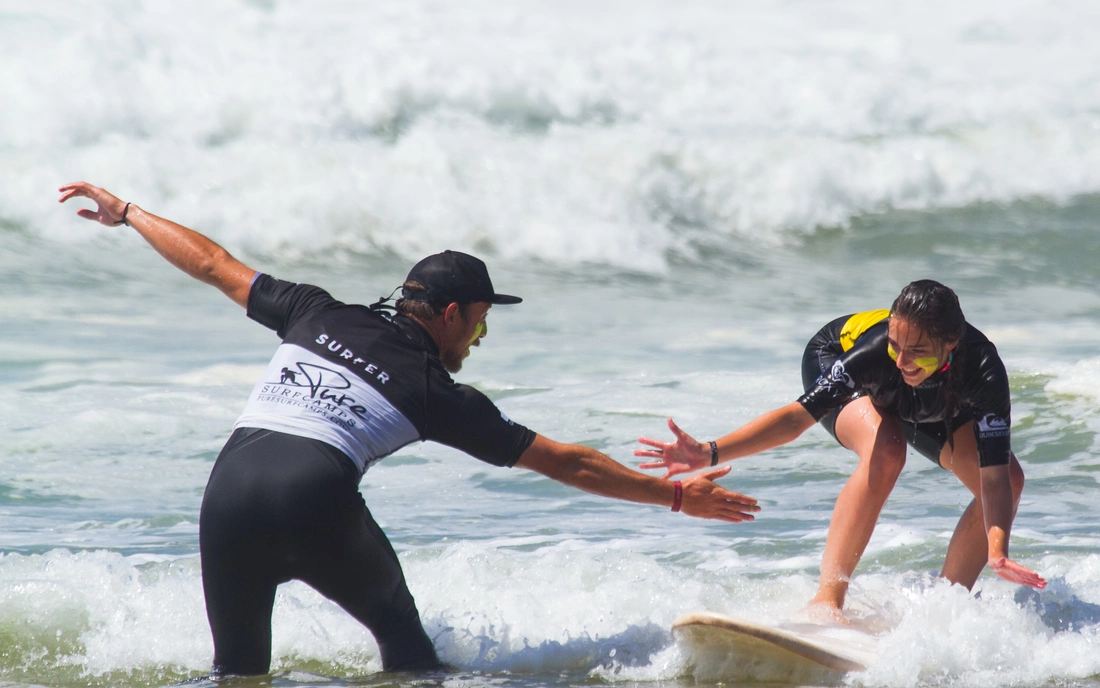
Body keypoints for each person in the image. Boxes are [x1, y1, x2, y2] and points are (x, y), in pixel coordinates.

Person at [58, 181, 760, 677]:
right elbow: (566, 462)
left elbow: (213, 265)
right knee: (404, 645)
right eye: (481, 319)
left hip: (226, 497)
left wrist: (127, 213)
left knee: (238, 672)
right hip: (314, 499)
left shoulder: (313, 311)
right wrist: (674, 498)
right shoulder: (436, 392)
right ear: (451, 312)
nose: (480, 338)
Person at [635, 280, 1046, 617]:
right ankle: (827, 601)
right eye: (896, 345)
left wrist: (999, 552)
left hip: (938, 398)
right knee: (887, 448)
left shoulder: (984, 371)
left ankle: (944, 604)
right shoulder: (877, 356)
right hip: (833, 355)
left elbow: (992, 477)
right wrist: (710, 452)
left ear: (952, 343)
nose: (902, 361)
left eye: (916, 352)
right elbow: (796, 418)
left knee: (1010, 476)